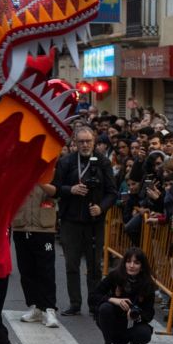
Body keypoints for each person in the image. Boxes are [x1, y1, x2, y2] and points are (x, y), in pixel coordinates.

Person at [53, 126, 112, 316]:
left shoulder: (103, 162)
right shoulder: (66, 162)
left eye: (88, 141)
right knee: (71, 264)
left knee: (94, 265)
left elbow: (113, 192)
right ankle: (75, 303)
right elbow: (55, 187)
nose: (85, 145)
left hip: (95, 222)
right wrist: (70, 189)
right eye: (81, 141)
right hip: (71, 220)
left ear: (94, 142)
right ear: (75, 143)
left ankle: (94, 303)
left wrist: (101, 207)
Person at [93, 247, 156, 344]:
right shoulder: (115, 276)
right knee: (105, 308)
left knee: (144, 334)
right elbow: (94, 295)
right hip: (114, 319)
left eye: (136, 263)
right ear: (124, 263)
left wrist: (136, 315)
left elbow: (150, 312)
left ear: (142, 266)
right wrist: (113, 300)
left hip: (133, 323)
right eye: (128, 262)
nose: (131, 265)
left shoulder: (147, 283)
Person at [11, 177, 60, 328]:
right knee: (26, 270)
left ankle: (49, 309)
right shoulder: (17, 170)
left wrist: (39, 180)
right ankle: (35, 307)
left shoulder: (50, 168)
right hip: (21, 224)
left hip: (43, 226)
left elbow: (57, 192)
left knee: (46, 270)